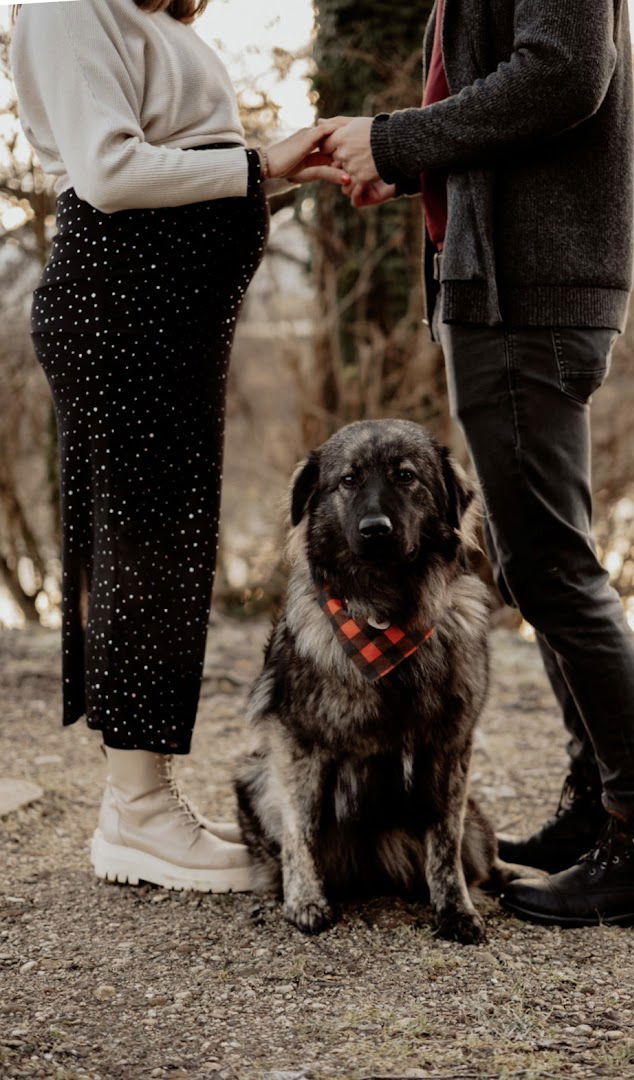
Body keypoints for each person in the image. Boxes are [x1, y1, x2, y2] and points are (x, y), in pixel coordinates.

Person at [322, 0, 634, 928]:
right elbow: (497, 94)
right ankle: (600, 805)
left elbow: (563, 72)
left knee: (554, 565)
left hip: (529, 289)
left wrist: (397, 141)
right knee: (538, 559)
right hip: (498, 283)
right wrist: (410, 164)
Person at [9, 0, 345, 894]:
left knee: (169, 546)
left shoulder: (157, 24)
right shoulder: (64, 7)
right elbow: (112, 172)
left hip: (171, 322)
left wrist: (285, 173)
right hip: (122, 313)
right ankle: (137, 812)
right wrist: (259, 162)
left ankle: (143, 803)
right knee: (142, 547)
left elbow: (188, 167)